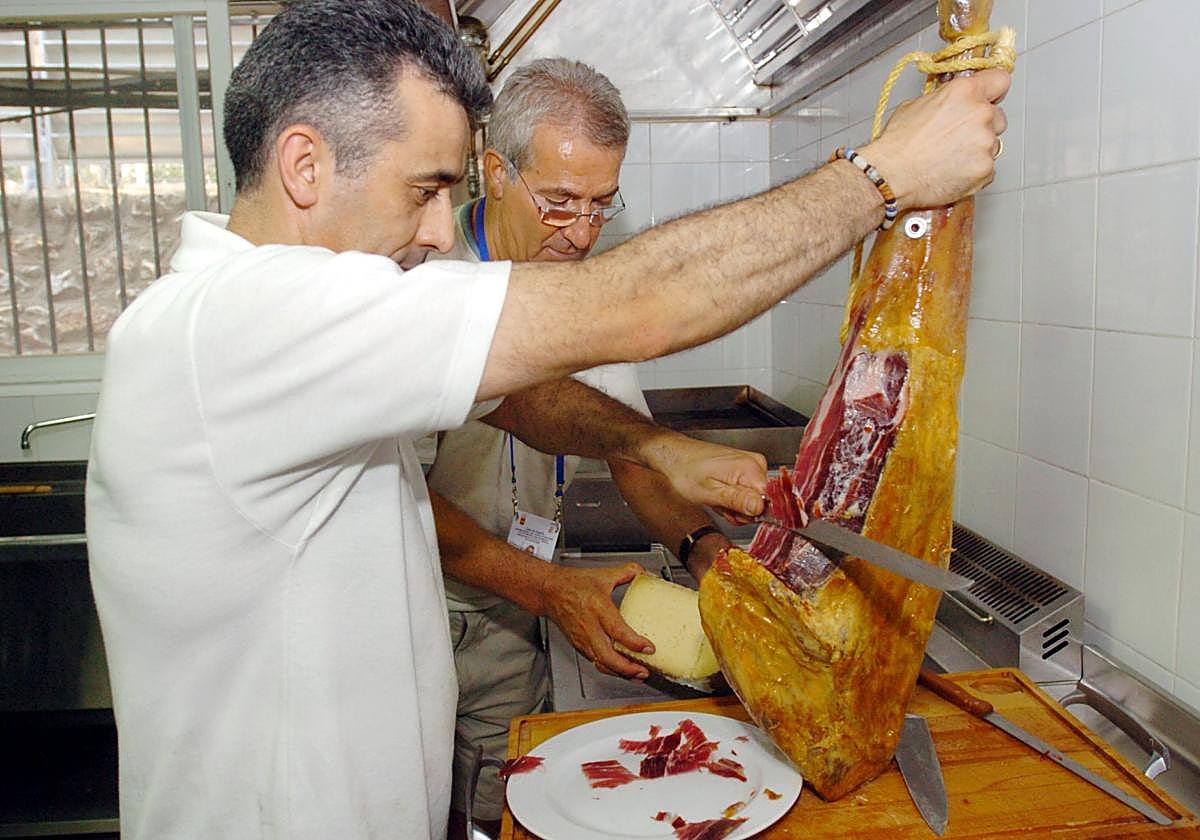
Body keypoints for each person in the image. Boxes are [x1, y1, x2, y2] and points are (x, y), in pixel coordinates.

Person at [84, 1, 1009, 837]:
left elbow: (524, 401)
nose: (443, 231)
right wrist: (885, 175)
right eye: (424, 189)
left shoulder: (269, 325)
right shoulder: (249, 323)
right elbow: (643, 300)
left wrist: (648, 446)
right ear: (304, 165)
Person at [424, 57, 737, 837]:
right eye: (560, 202)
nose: (583, 231)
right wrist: (543, 587)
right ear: (495, 171)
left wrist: (706, 552)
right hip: (436, 609)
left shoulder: (583, 289)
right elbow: (399, 498)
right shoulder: (426, 277)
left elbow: (628, 447)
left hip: (526, 601)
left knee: (511, 801)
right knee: (429, 805)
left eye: (603, 204)